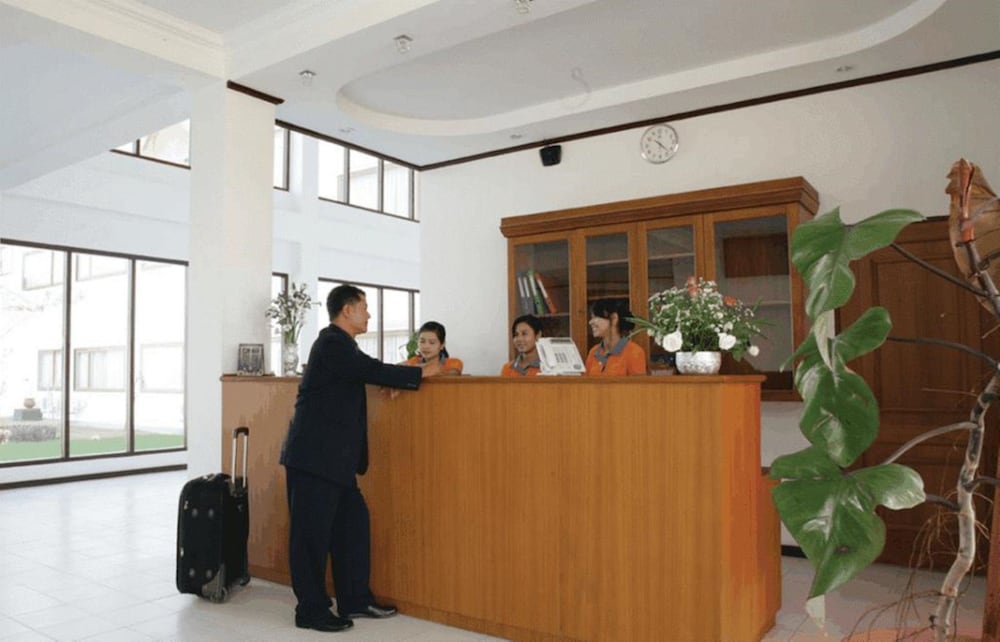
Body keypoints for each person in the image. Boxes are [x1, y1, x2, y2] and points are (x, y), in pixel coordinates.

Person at [279, 284, 442, 633]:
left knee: (353, 526)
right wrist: (422, 372)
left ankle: (354, 598)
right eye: (365, 307)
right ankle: (310, 610)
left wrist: (397, 377)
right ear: (347, 310)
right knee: (310, 538)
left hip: (334, 462)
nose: (369, 314)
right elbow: (371, 369)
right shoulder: (332, 343)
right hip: (313, 459)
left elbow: (364, 372)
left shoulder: (343, 346)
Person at [585, 299, 647, 376]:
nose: (590, 322)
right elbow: (584, 382)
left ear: (614, 318)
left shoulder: (634, 352)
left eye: (595, 317)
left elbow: (637, 384)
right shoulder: (593, 352)